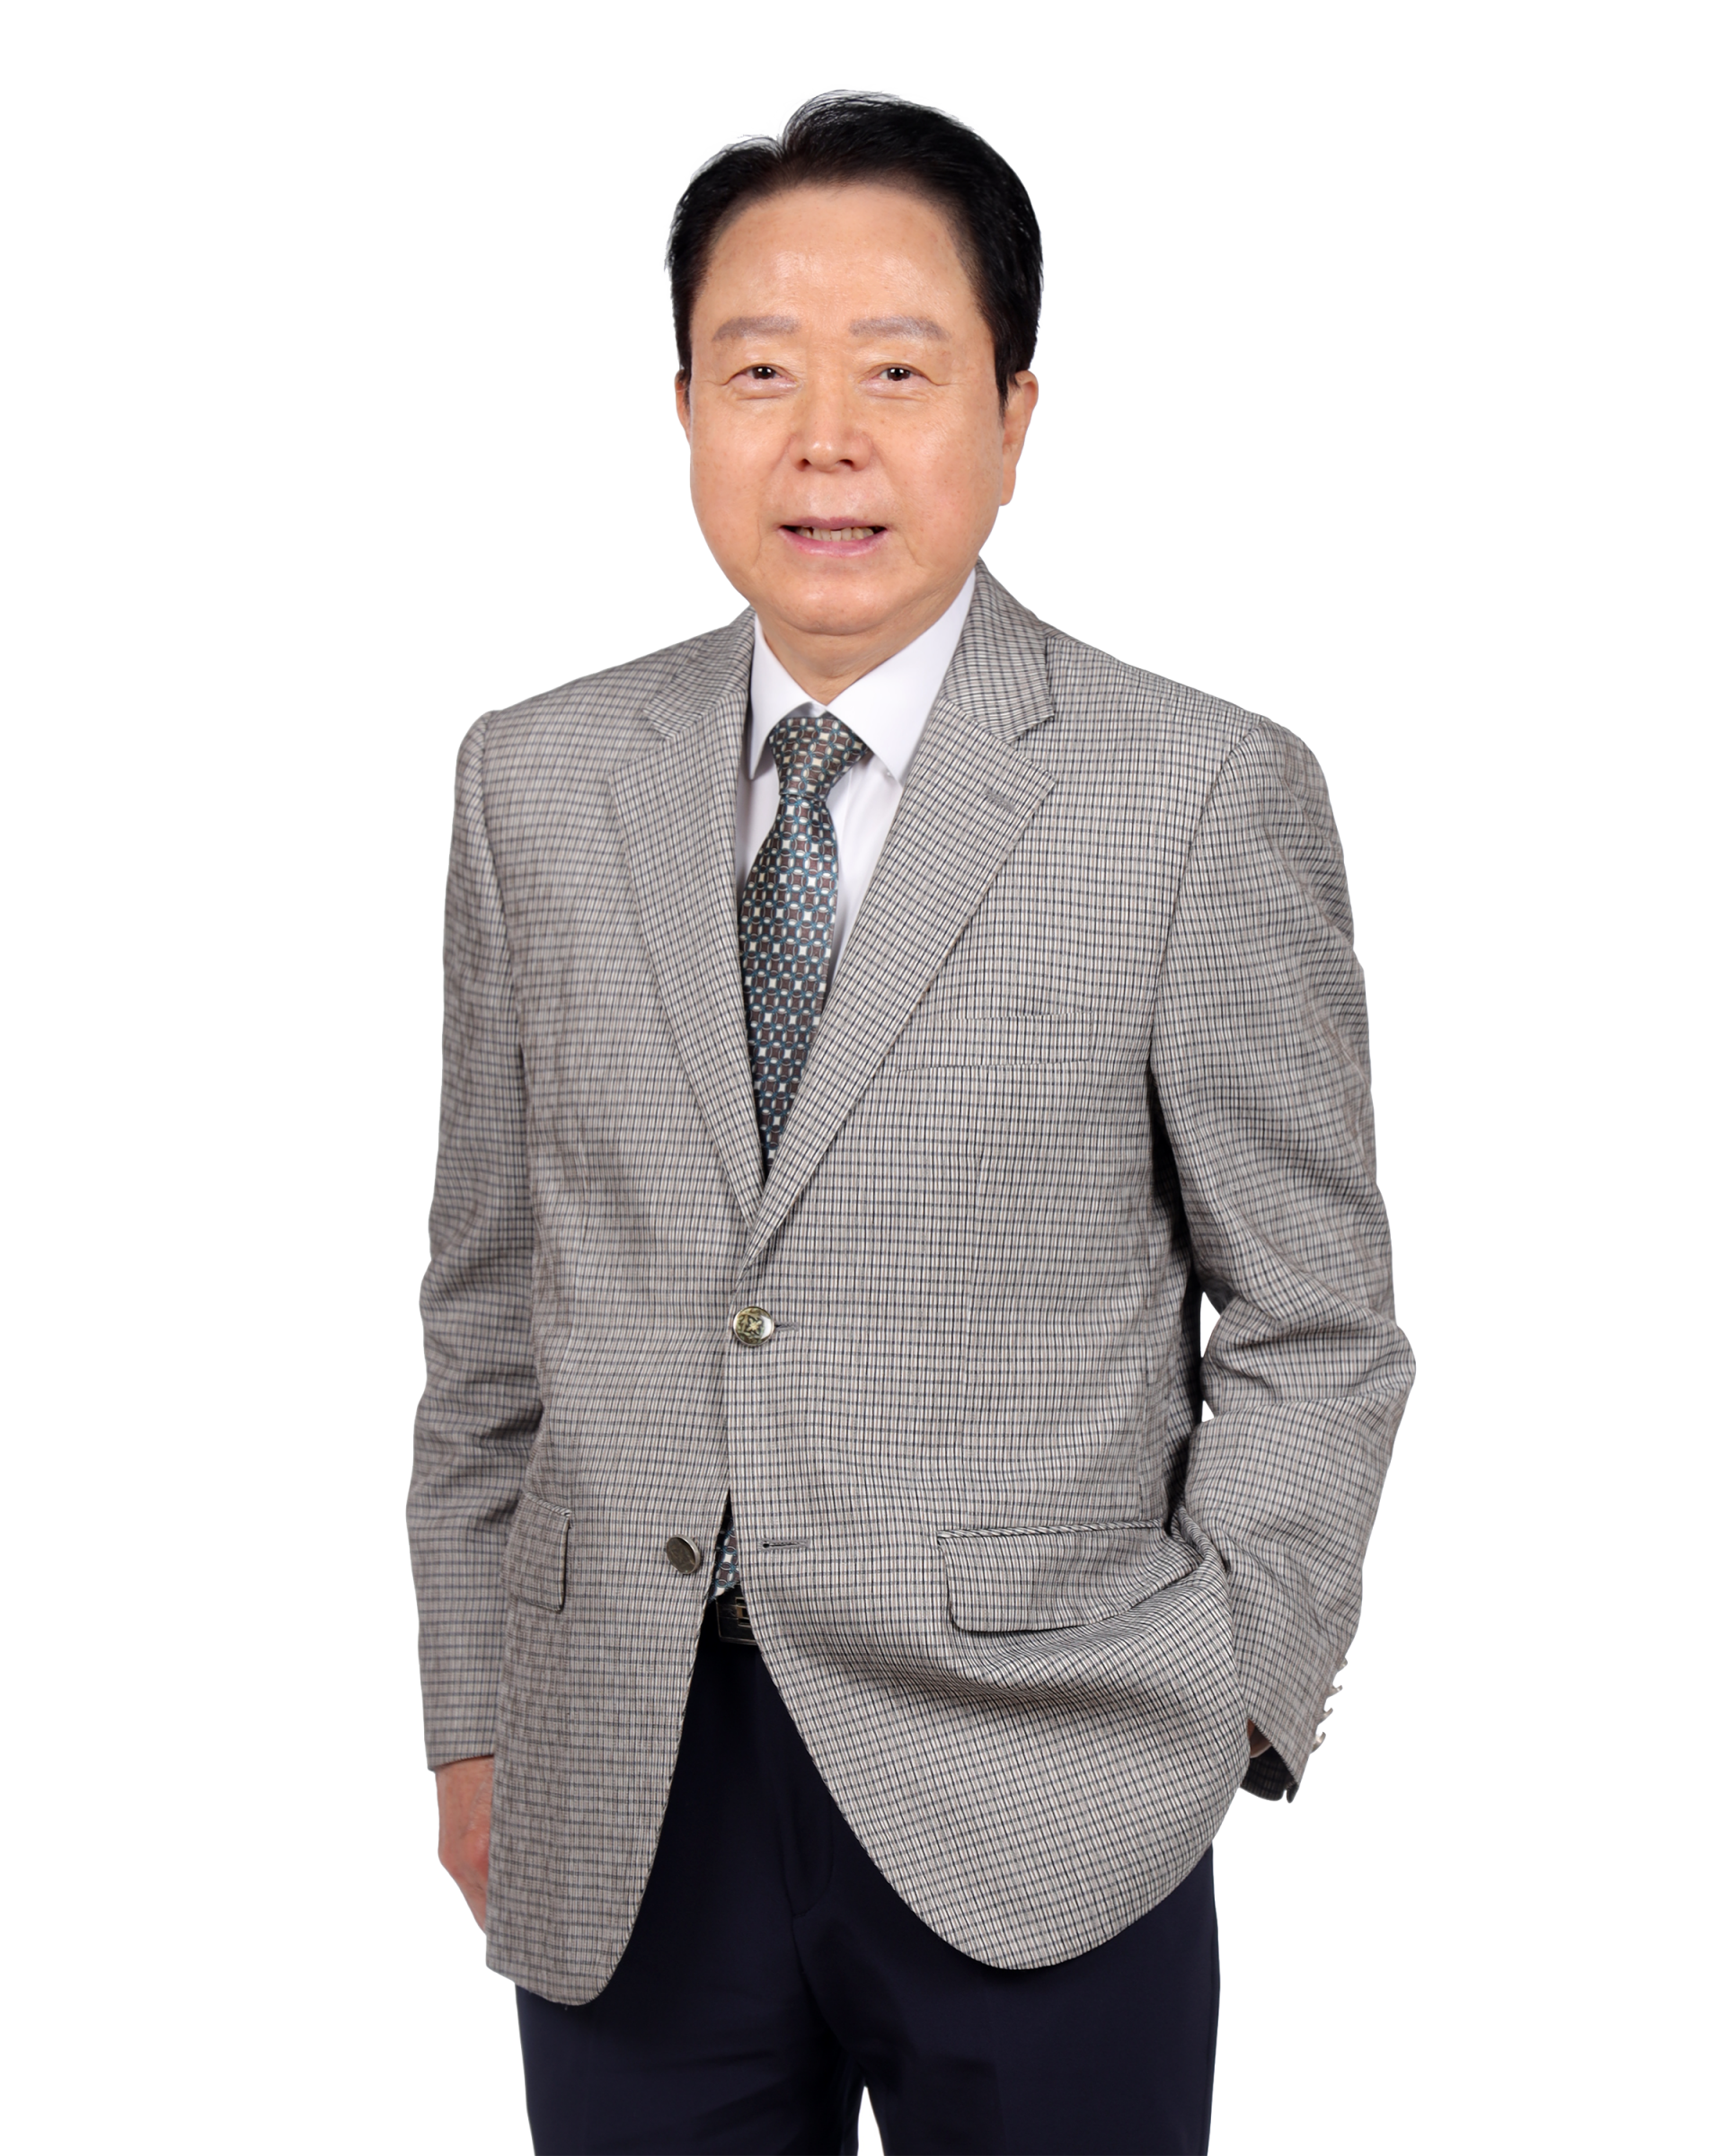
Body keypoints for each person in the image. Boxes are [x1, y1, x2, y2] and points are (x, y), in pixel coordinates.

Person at [408, 84, 1415, 2154]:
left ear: (1016, 414)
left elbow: (1315, 1325)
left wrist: (1220, 1703)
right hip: (619, 1784)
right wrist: (476, 1713)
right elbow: (488, 1306)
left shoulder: (1199, 793)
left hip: (1049, 1778)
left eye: (897, 370)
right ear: (682, 406)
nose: (825, 441)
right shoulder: (534, 776)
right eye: (759, 370)